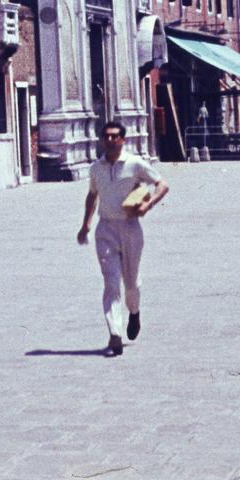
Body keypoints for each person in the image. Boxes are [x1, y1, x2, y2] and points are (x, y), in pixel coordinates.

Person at [77, 122, 169, 356]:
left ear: (122, 140)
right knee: (110, 282)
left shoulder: (135, 163)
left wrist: (148, 204)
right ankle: (115, 333)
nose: (110, 140)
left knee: (131, 283)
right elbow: (92, 195)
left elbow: (162, 184)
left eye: (115, 136)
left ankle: (134, 312)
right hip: (105, 229)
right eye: (106, 136)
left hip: (130, 228)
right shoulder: (96, 168)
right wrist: (85, 225)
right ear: (101, 140)